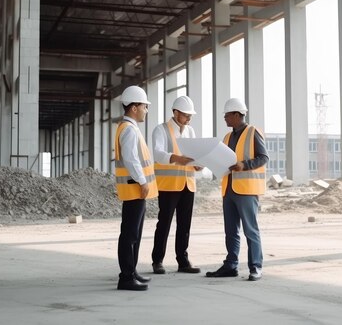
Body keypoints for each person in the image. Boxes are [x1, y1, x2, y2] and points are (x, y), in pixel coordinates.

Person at [206, 97, 268, 281]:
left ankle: (255, 267)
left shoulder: (253, 132)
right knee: (231, 230)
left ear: (236, 114)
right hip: (229, 189)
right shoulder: (227, 137)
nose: (225, 118)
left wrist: (244, 165)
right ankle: (231, 265)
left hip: (247, 190)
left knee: (250, 229)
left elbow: (263, 157)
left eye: (227, 115)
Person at [114, 85, 158, 291]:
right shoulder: (129, 130)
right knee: (130, 234)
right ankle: (126, 277)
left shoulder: (129, 128)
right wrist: (142, 182)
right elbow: (131, 159)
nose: (146, 110)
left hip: (134, 189)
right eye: (144, 106)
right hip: (134, 188)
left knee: (134, 234)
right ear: (134, 107)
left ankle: (131, 272)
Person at [151, 96, 201, 275]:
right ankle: (157, 261)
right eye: (186, 115)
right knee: (164, 223)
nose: (189, 118)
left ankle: (183, 261)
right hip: (168, 185)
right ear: (175, 112)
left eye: (190, 116)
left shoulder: (191, 131)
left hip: (188, 184)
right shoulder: (161, 130)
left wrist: (198, 163)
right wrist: (178, 158)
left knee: (184, 225)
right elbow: (157, 154)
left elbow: (195, 155)